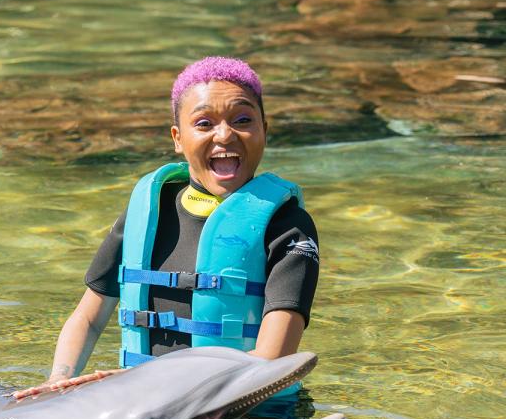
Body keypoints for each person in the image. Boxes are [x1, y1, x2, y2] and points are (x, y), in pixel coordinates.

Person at [45, 56, 319, 386]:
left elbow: (272, 361)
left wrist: (148, 383)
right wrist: (57, 383)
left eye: (243, 120)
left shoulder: (288, 225)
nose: (225, 135)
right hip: (140, 407)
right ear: (178, 138)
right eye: (204, 124)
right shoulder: (148, 212)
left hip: (249, 408)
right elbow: (89, 319)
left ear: (265, 130)